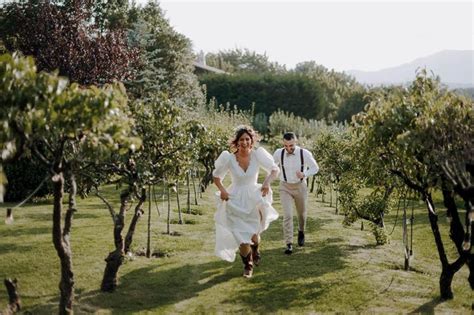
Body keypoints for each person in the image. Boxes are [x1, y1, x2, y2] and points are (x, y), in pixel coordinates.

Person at [213, 125, 279, 278]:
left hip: (253, 198)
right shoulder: (229, 158)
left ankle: (255, 248)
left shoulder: (257, 155)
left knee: (254, 235)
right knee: (241, 237)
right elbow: (217, 177)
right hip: (235, 199)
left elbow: (274, 170)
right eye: (241, 139)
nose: (244, 142)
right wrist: (223, 190)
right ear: (237, 142)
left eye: (247, 139)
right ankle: (247, 265)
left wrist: (267, 182)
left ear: (251, 141)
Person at [273, 132, 319, 255]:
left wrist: (305, 174)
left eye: (291, 145)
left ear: (296, 142)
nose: (288, 148)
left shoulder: (304, 154)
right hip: (285, 187)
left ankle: (301, 230)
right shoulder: (278, 153)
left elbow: (315, 168)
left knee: (301, 214)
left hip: (300, 187)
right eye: (286, 146)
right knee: (287, 215)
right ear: (283, 143)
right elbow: (272, 166)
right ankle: (288, 244)